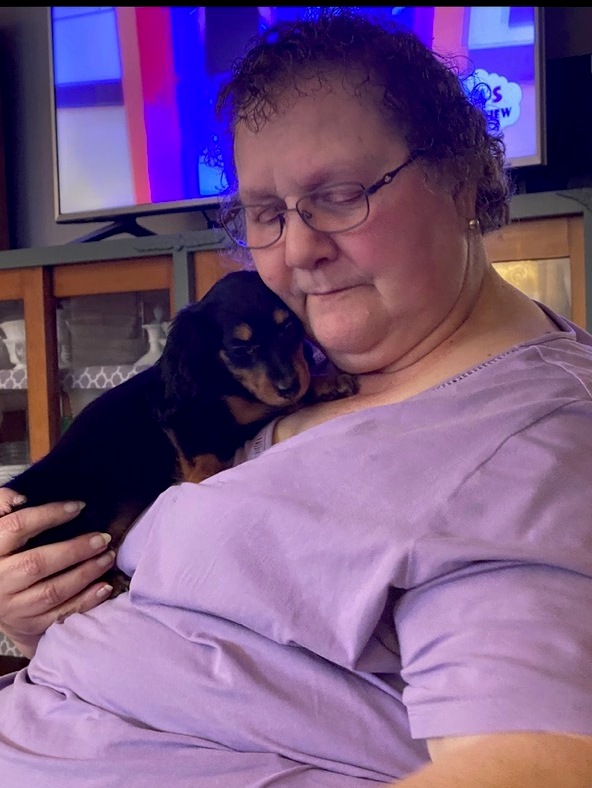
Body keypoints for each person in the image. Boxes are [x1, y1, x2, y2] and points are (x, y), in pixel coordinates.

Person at [0, 7, 591, 786]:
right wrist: (43, 614)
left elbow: (533, 760)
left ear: (460, 180)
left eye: (340, 194)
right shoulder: (314, 379)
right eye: (267, 215)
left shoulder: (526, 450)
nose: (301, 248)